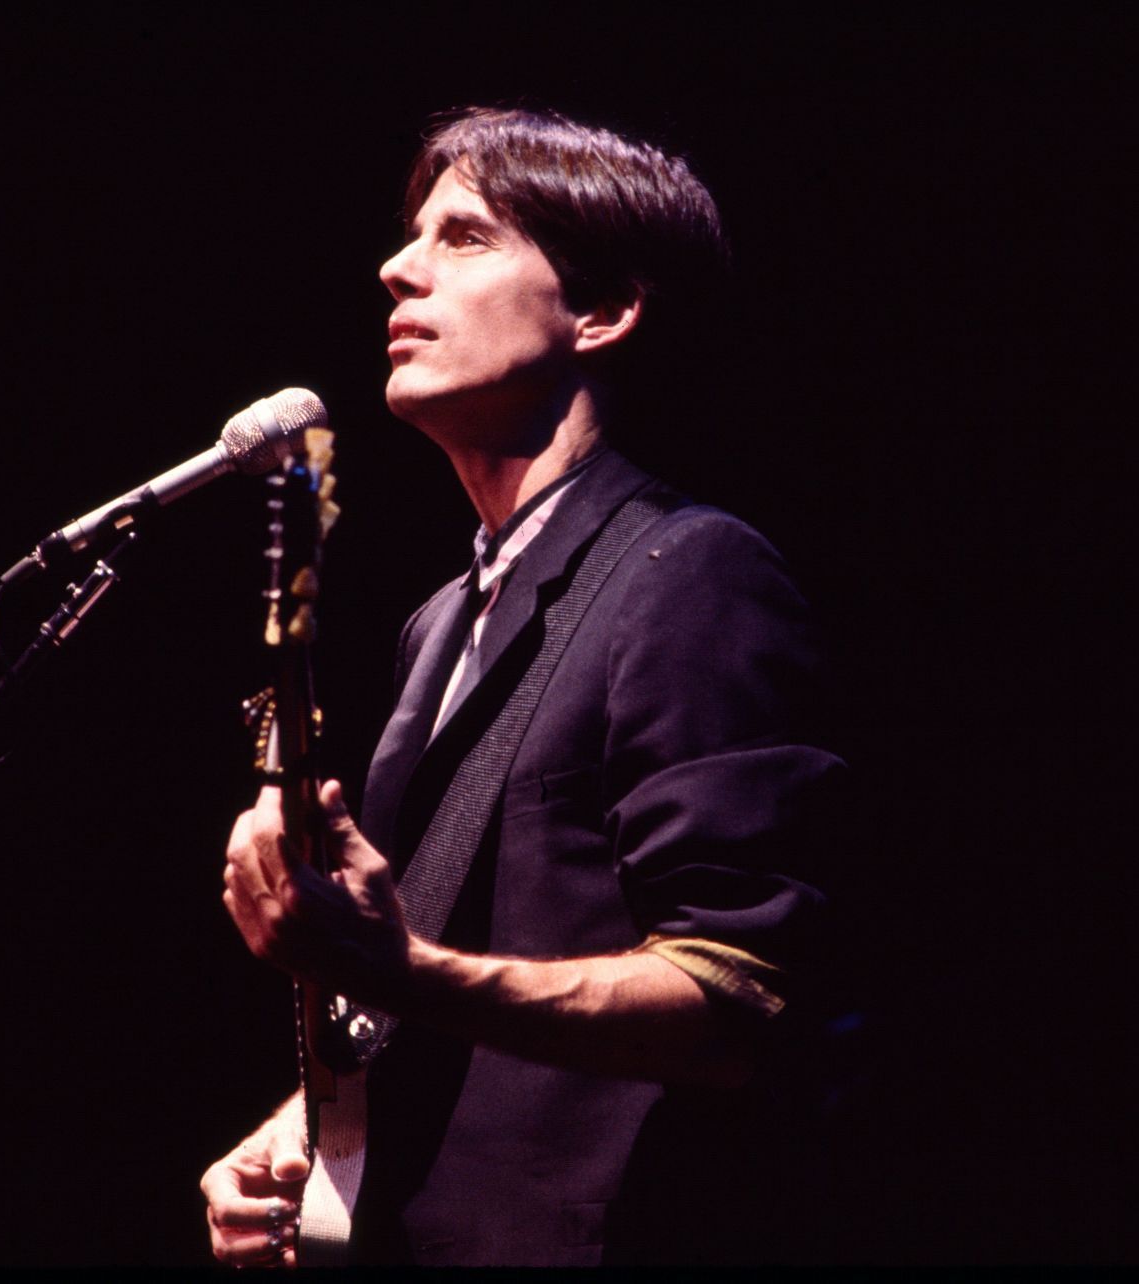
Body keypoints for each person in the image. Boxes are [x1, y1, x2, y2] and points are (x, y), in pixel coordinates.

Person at [203, 106, 845, 1267]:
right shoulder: (441, 621)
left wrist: (402, 971)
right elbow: (438, 983)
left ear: (603, 312)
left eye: (465, 237)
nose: (399, 266)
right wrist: (313, 1132)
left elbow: (743, 1000)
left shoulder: (693, 573)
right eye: (413, 235)